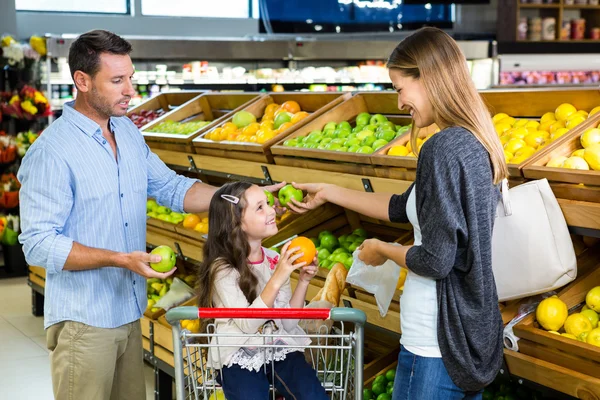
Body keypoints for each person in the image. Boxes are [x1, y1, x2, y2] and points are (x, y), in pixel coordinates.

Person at [17, 30, 283, 400]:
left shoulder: (126, 132)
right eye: (117, 81)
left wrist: (244, 197)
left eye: (131, 78)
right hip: (84, 321)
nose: (130, 90)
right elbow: (38, 244)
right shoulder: (52, 151)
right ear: (82, 81)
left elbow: (173, 188)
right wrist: (119, 259)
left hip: (129, 312)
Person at [288, 27, 506, 399]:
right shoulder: (473, 142)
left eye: (399, 87)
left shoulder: (441, 148)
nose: (400, 102)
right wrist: (330, 192)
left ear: (429, 77)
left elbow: (436, 260)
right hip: (463, 336)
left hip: (436, 343)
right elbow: (403, 206)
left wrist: (380, 249)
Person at [195, 182, 328, 400]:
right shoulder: (222, 269)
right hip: (237, 352)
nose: (271, 210)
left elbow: (289, 323)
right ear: (237, 222)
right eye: (260, 207)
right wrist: (279, 276)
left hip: (276, 347)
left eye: (268, 203)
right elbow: (248, 324)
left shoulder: (275, 259)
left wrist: (303, 281)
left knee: (313, 395)